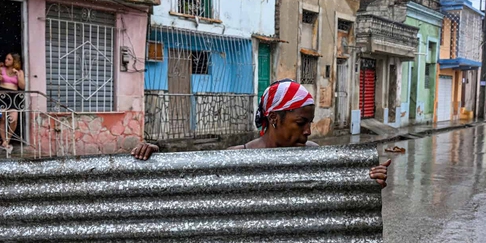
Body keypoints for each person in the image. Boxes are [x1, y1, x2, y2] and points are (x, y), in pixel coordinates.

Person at [131, 79, 390, 188]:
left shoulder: (314, 156)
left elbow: (341, 192)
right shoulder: (235, 159)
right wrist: (157, 160)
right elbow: (189, 181)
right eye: (301, 123)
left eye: (310, 122)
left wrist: (369, 180)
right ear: (275, 119)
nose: (309, 132)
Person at [0, 52, 26, 151]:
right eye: (6, 59)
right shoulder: (1, 69)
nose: (6, 61)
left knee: (13, 119)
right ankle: (4, 141)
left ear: (14, 61)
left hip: (13, 96)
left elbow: (22, 86)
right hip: (2, 95)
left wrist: (18, 75)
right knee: (2, 119)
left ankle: (8, 139)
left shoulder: (19, 72)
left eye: (9, 59)